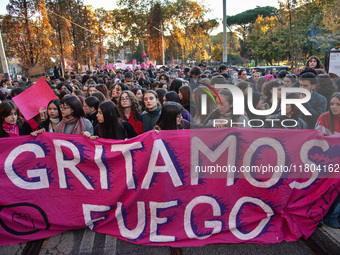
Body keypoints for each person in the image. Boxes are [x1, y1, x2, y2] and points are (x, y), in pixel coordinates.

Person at [315, 92, 340, 228]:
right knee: (322, 189)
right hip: (325, 159)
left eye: (337, 104)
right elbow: (316, 138)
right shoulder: (324, 117)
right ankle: (318, 215)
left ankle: (332, 216)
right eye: (331, 104)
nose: (333, 107)